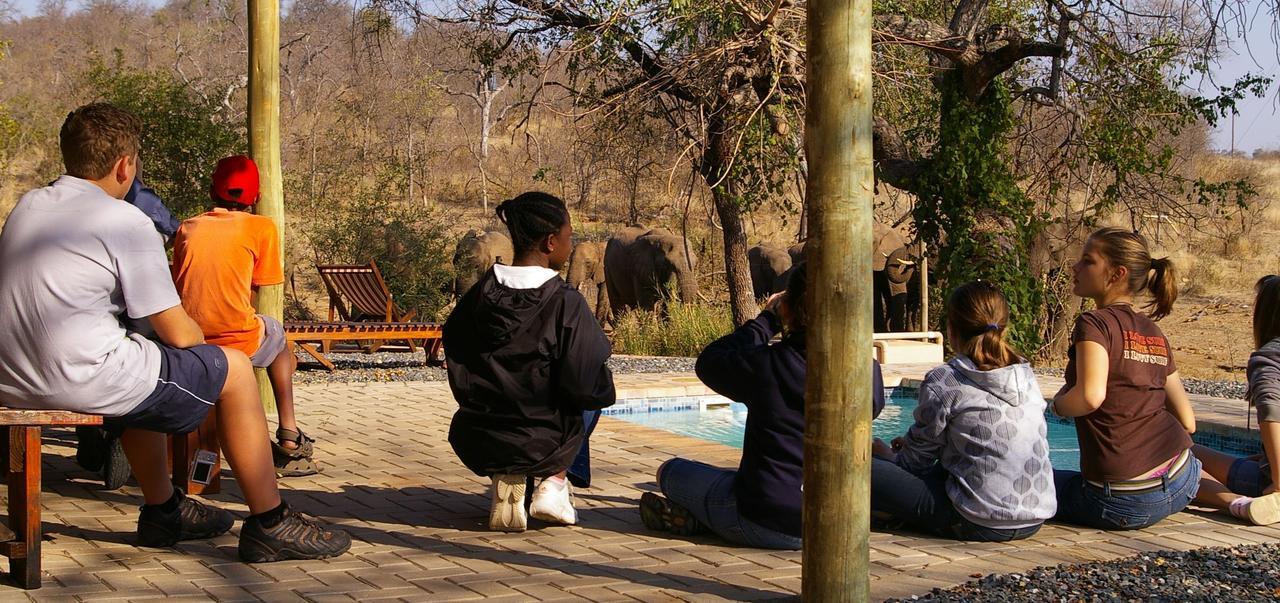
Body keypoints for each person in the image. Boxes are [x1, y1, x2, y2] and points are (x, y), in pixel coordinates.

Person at [0, 103, 350, 561]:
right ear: (125, 165)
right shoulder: (124, 221)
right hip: (78, 379)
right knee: (236, 369)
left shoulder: (28, 206)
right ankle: (270, 520)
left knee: (143, 364)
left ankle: (164, 509)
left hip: (13, 380)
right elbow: (179, 333)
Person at [640, 262, 886, 549]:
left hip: (765, 519)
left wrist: (767, 320)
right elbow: (874, 407)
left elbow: (710, 361)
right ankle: (703, 521)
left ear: (790, 308)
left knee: (671, 472)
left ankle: (703, 521)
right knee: (731, 480)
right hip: (838, 526)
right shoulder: (867, 371)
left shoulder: (768, 365)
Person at [443, 191, 615, 532]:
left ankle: (507, 473)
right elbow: (585, 385)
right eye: (569, 237)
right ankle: (553, 482)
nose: (571, 244)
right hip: (544, 438)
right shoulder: (566, 303)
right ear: (551, 243)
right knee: (591, 392)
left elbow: (456, 354)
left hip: (479, 434)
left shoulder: (478, 296)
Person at [870, 281, 1055, 541]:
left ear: (951, 328)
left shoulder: (946, 378)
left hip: (976, 520)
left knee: (862, 467)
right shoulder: (1025, 375)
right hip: (1034, 518)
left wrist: (886, 454)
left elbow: (914, 463)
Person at [171, 155, 316, 476]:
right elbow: (253, 293)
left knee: (272, 337)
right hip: (235, 339)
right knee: (278, 339)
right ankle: (289, 434)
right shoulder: (262, 227)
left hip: (185, 336)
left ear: (212, 190)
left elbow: (181, 285)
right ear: (257, 197)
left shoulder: (188, 227)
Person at [1050, 227, 1200, 530]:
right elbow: (1188, 422)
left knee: (1028, 479)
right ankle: (1233, 501)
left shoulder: (1095, 323)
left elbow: (1091, 397)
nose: (1075, 268)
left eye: (1088, 261)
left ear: (1116, 274)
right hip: (1184, 482)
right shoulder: (1153, 331)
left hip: (1119, 501)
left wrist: (1057, 405)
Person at [77, 176, 184, 489]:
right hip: (132, 317)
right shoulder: (140, 204)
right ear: (124, 165)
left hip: (79, 328)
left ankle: (95, 433)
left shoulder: (47, 203)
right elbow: (176, 232)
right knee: (161, 354)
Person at [1192, 275, 1280, 524]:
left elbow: (1271, 409)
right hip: (1267, 466)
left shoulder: (1271, 355)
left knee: (1175, 451)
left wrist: (1278, 482)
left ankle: (1239, 504)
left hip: (1270, 481)